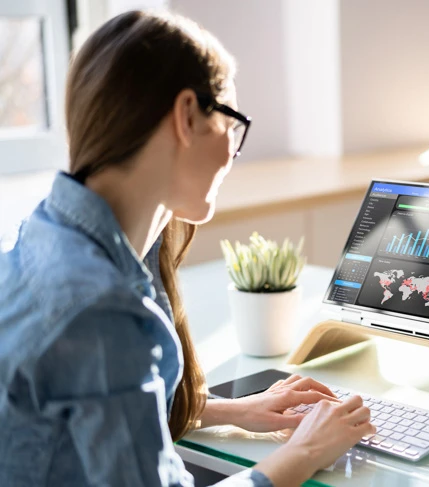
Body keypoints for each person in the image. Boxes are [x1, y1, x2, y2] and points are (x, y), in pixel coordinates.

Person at [0, 10, 375, 487]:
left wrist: (224, 409)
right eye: (232, 124)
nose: (231, 153)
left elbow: (90, 408)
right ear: (185, 116)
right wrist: (306, 451)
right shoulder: (103, 312)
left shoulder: (39, 238)